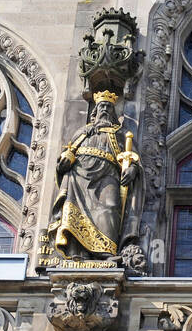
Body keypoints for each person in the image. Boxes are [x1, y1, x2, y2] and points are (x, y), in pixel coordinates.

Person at [47, 90, 143, 263]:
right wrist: (63, 163)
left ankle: (107, 252)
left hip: (108, 173)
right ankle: (79, 253)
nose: (105, 109)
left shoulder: (119, 133)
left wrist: (133, 169)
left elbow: (133, 156)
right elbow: (67, 153)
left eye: (108, 107)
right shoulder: (83, 132)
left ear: (113, 113)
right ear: (95, 111)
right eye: (102, 106)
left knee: (111, 207)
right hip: (80, 175)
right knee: (76, 211)